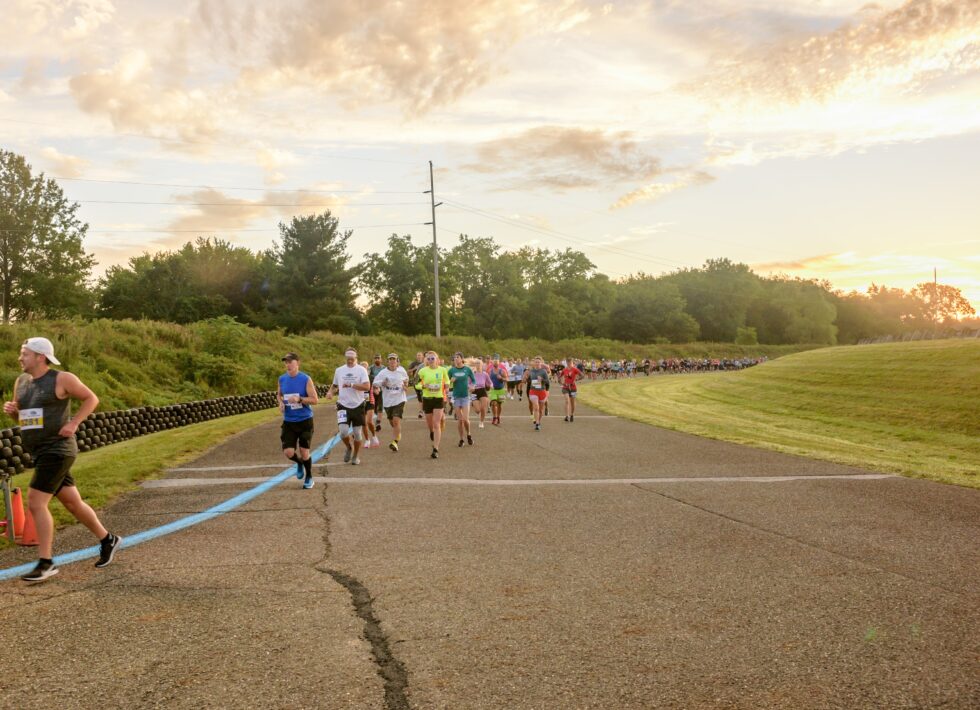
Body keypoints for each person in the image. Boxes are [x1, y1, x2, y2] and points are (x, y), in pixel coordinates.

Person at [3, 337, 122, 583]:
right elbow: (25, 421)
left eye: (24, 353)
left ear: (40, 356)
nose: (19, 357)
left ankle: (46, 563)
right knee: (73, 504)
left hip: (58, 450)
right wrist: (15, 414)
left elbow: (91, 398)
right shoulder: (22, 382)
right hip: (39, 451)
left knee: (36, 503)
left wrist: (74, 422)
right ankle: (107, 539)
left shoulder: (62, 378)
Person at [276, 352, 319, 489]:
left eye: (290, 362)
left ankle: (309, 477)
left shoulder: (305, 379)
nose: (288, 365)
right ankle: (299, 462)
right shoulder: (282, 379)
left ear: (297, 363)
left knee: (304, 451)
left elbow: (315, 400)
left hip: (305, 420)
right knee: (288, 452)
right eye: (286, 362)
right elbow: (279, 395)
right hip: (289, 421)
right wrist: (281, 403)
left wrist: (300, 399)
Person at [326, 349, 370, 465]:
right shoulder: (339, 370)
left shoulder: (361, 370)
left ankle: (356, 456)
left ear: (356, 358)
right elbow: (335, 385)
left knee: (357, 433)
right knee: (343, 432)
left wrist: (351, 385)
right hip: (343, 404)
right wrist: (331, 392)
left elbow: (367, 387)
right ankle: (349, 448)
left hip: (358, 405)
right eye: (348, 359)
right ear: (345, 358)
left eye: (352, 359)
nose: (350, 361)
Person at [373, 353, 410, 451]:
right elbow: (375, 384)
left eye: (394, 359)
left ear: (397, 361)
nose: (392, 361)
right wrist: (382, 384)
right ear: (388, 361)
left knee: (396, 420)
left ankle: (395, 442)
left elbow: (406, 380)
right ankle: (398, 433)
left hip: (400, 399)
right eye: (390, 359)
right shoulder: (383, 373)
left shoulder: (402, 370)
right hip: (388, 401)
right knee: (392, 422)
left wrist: (405, 386)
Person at [416, 351, 448, 458]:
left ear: (437, 359)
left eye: (432, 358)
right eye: (428, 359)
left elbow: (447, 380)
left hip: (438, 398)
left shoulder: (442, 370)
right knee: (430, 425)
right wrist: (424, 386)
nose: (430, 361)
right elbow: (416, 384)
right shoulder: (422, 371)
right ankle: (431, 432)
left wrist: (447, 387)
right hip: (427, 398)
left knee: (436, 424)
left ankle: (435, 449)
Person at [447, 352, 476, 447]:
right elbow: (446, 382)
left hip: (465, 396)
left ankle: (469, 434)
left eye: (457, 357)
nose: (456, 359)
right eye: (454, 357)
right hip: (456, 397)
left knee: (465, 419)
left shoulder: (467, 369)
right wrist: (450, 382)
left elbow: (473, 380)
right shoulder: (451, 370)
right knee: (460, 420)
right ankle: (461, 439)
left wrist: (472, 386)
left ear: (462, 359)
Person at [523, 356, 551, 431]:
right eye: (536, 362)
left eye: (538, 362)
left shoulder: (543, 371)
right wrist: (525, 378)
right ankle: (537, 423)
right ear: (534, 363)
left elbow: (547, 382)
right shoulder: (531, 371)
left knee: (541, 410)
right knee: (536, 407)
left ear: (541, 363)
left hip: (542, 391)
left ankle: (538, 421)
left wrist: (542, 380)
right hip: (533, 391)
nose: (537, 363)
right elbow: (525, 380)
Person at [359, 360, 381, 449]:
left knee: (369, 421)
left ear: (368, 369)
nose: (364, 369)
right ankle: (367, 440)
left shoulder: (371, 378)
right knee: (363, 423)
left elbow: (377, 388)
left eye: (365, 368)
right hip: (360, 402)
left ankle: (374, 436)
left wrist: (377, 390)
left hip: (370, 401)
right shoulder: (357, 378)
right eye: (362, 368)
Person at [559, 357, 584, 422]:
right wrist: (562, 383)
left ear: (572, 363)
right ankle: (567, 416)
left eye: (570, 362)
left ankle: (572, 414)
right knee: (567, 400)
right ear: (566, 363)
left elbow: (582, 375)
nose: (569, 364)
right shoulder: (564, 370)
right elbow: (559, 377)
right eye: (568, 362)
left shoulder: (575, 369)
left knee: (572, 402)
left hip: (573, 388)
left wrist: (576, 379)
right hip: (566, 387)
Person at [486, 355, 508, 425]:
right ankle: (494, 417)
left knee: (499, 405)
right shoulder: (490, 371)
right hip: (493, 390)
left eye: (497, 361)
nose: (495, 363)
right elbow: (487, 379)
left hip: (501, 390)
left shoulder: (502, 371)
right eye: (494, 361)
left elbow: (507, 379)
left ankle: (498, 417)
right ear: (492, 363)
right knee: (493, 403)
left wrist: (501, 378)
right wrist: (487, 384)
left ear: (499, 363)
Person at [471, 360, 492, 429]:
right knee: (477, 410)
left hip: (482, 390)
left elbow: (490, 382)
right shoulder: (472, 374)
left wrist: (491, 385)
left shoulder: (485, 374)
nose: (478, 365)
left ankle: (481, 422)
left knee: (483, 408)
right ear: (475, 365)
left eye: (479, 363)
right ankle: (478, 411)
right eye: (476, 363)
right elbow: (468, 383)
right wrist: (470, 387)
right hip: (474, 391)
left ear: (482, 365)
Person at [368, 354, 386, 432]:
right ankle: (374, 417)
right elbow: (367, 375)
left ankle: (378, 422)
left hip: (381, 389)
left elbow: (386, 377)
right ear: (374, 359)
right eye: (376, 358)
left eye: (378, 358)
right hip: (372, 389)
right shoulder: (371, 368)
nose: (377, 359)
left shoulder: (384, 368)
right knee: (373, 406)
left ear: (381, 359)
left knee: (380, 406)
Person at [407, 351, 425, 419]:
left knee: (424, 396)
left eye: (420, 355)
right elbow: (408, 372)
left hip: (425, 382)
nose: (419, 356)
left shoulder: (426, 362)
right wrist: (414, 368)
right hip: (417, 382)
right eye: (418, 355)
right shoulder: (413, 363)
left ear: (423, 356)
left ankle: (423, 410)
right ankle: (421, 411)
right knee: (420, 397)